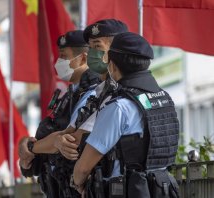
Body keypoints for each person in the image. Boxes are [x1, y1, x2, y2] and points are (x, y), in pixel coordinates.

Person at [71, 32, 180, 198]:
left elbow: (83, 168)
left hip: (127, 191)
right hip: (163, 189)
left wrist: (77, 183)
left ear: (113, 66)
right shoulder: (164, 99)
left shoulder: (119, 107)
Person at [19, 30, 101, 197]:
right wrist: (26, 146)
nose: (59, 62)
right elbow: (51, 134)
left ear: (83, 58)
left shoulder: (94, 94)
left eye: (64, 56)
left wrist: (31, 148)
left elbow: (67, 139)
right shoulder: (69, 95)